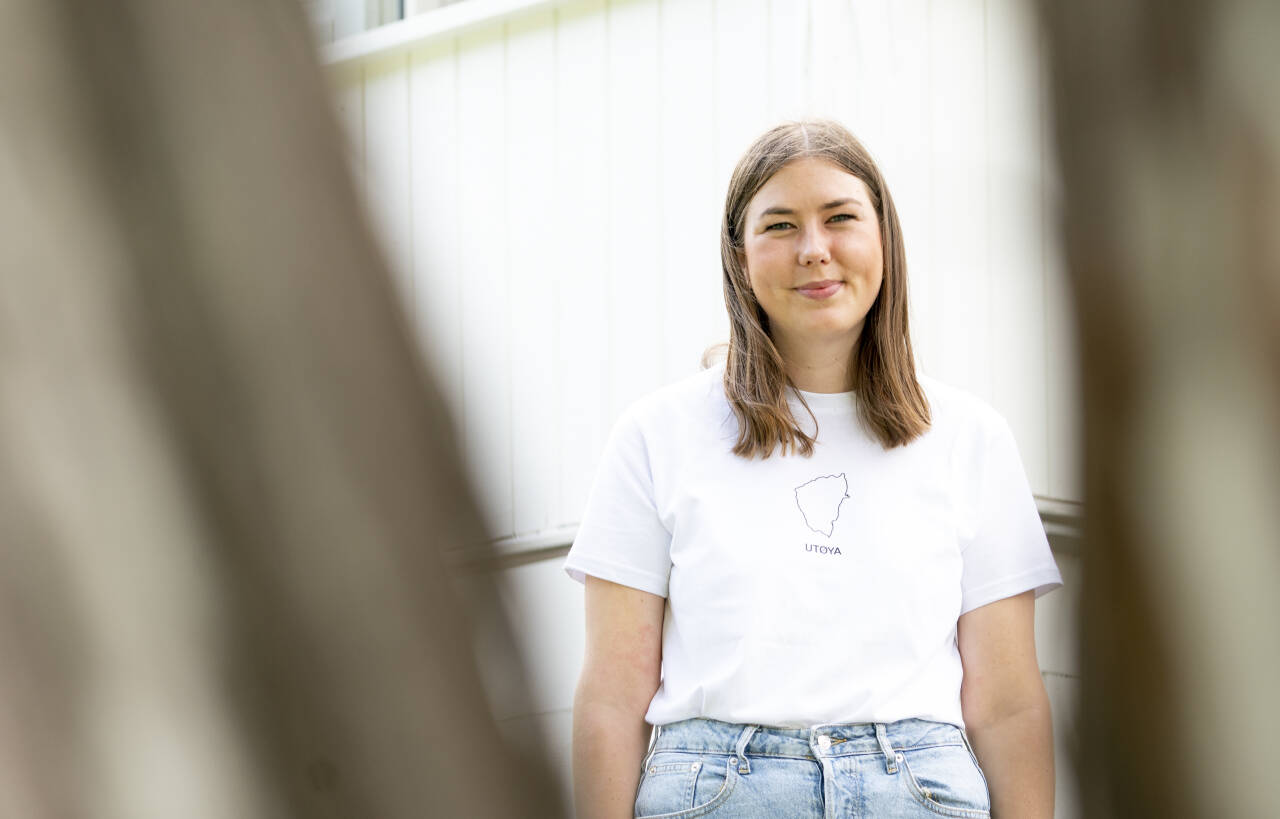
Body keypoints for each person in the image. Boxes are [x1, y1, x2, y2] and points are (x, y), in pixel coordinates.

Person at [565, 119, 1061, 818]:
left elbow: (1008, 705)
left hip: (920, 793)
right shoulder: (656, 434)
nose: (814, 250)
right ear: (739, 257)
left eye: (840, 219)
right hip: (717, 793)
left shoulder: (971, 438)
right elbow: (613, 699)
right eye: (780, 226)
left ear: (883, 238)